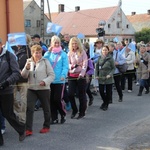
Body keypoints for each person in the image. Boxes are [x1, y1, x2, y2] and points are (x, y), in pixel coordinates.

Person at [21, 45, 55, 136]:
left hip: (44, 89)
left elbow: (52, 75)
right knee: (29, 108)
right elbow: (24, 75)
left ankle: (46, 126)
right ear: (32, 53)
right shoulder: (28, 61)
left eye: (40, 53)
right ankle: (28, 129)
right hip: (31, 89)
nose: (38, 54)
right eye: (36, 52)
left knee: (46, 108)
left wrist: (45, 82)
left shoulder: (45, 61)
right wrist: (26, 68)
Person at [0, 38, 26, 146]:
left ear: (1, 44)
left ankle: (21, 129)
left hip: (6, 90)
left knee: (8, 114)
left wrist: (6, 82)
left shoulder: (8, 56)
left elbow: (16, 73)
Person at [44, 35, 69, 124]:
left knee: (57, 99)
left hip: (59, 80)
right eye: (55, 42)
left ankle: (63, 114)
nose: (57, 44)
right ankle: (54, 117)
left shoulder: (63, 54)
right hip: (50, 80)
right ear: (52, 43)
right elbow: (44, 61)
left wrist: (63, 75)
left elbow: (65, 66)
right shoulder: (49, 54)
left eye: (58, 42)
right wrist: (48, 52)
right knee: (51, 100)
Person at [68, 37, 88, 119]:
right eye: (73, 43)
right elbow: (67, 64)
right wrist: (72, 66)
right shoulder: (69, 53)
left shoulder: (82, 52)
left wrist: (82, 74)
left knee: (81, 94)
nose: (74, 45)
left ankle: (82, 112)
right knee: (70, 94)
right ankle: (74, 110)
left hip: (80, 76)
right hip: (72, 75)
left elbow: (85, 65)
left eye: (76, 43)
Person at [13, 34, 32, 124]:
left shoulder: (28, 51)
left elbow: (31, 63)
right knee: (12, 99)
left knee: (24, 100)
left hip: (24, 78)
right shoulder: (12, 50)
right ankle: (20, 111)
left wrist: (26, 69)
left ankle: (22, 119)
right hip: (13, 78)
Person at [95, 45, 115, 111]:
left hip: (108, 78)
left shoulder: (111, 58)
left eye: (106, 50)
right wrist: (96, 75)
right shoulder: (99, 58)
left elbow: (113, 68)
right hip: (101, 77)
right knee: (101, 91)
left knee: (108, 92)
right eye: (103, 50)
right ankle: (104, 102)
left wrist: (110, 74)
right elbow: (97, 67)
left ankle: (106, 104)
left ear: (108, 50)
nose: (104, 51)